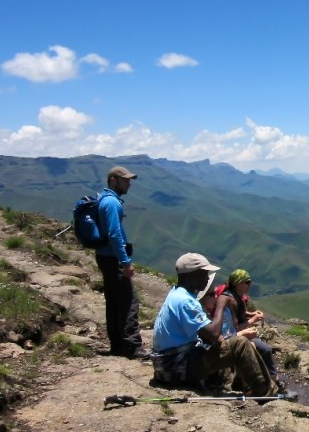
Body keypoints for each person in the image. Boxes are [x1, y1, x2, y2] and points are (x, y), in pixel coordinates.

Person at [150, 252, 283, 398]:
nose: (207, 278)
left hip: (167, 366)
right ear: (192, 275)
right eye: (204, 273)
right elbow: (213, 334)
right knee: (240, 345)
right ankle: (267, 393)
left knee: (221, 347)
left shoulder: (177, 295)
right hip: (177, 368)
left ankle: (234, 386)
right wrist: (220, 305)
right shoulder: (185, 301)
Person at [95, 166, 147, 359]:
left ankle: (117, 344)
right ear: (113, 180)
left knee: (114, 301)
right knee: (129, 302)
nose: (129, 184)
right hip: (113, 258)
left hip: (105, 257)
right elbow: (114, 234)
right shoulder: (112, 203)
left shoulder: (104, 199)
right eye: (125, 180)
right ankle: (133, 347)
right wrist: (125, 262)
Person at [217, 269, 283, 389]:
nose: (250, 285)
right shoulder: (230, 301)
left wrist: (251, 314)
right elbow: (235, 328)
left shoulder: (235, 296)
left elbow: (239, 314)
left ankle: (258, 380)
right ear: (238, 283)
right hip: (234, 336)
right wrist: (253, 320)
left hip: (235, 335)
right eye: (247, 282)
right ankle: (272, 380)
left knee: (262, 349)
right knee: (266, 350)